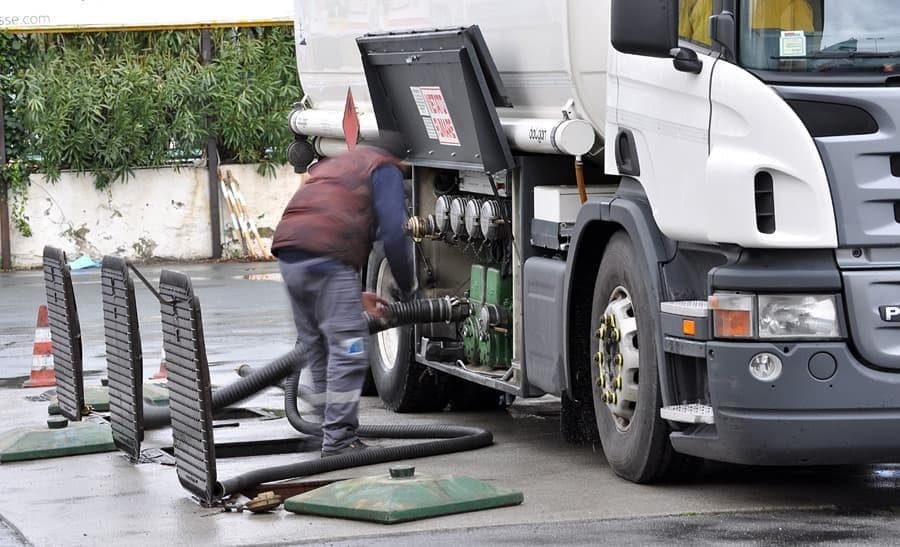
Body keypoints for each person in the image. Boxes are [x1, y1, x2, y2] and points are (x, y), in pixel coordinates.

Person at [271, 131, 417, 457]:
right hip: (327, 259)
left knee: (318, 349)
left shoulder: (336, 165)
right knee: (348, 349)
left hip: (292, 258)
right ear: (400, 160)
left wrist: (353, 295)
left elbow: (328, 218)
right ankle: (338, 440)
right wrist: (407, 285)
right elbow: (394, 231)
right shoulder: (384, 167)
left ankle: (331, 434)